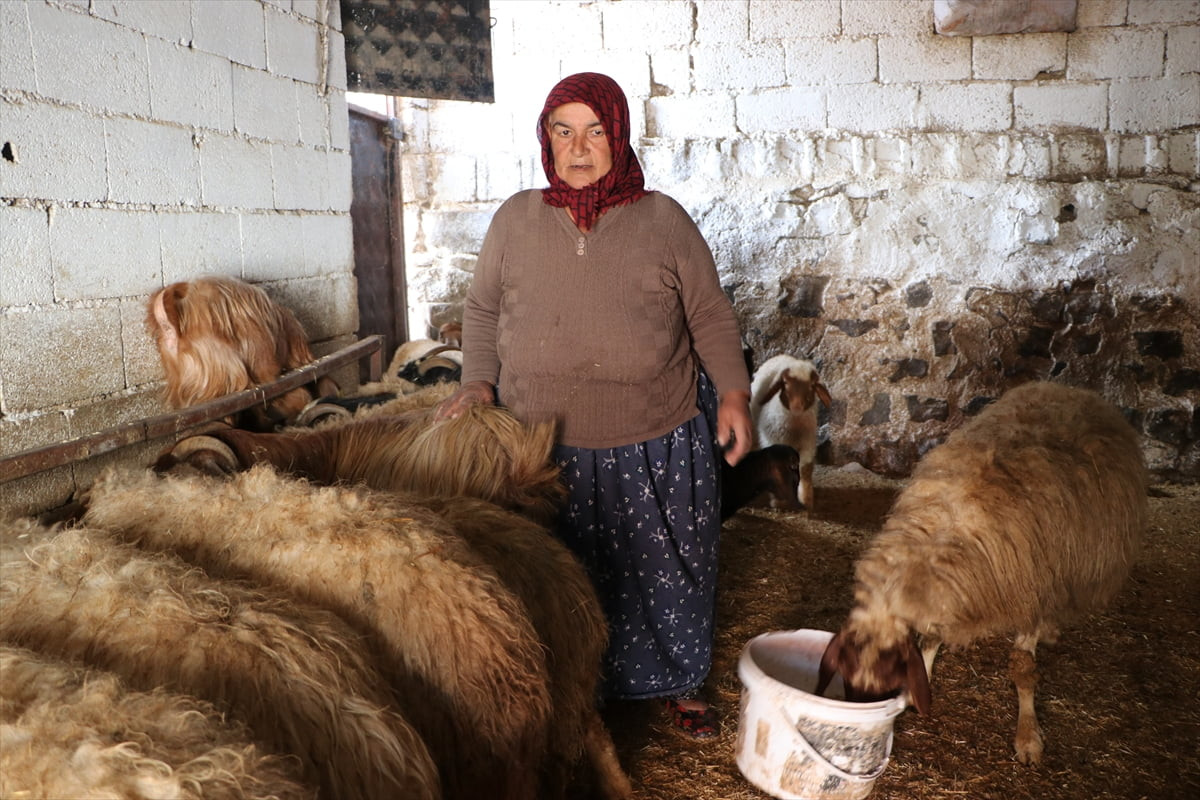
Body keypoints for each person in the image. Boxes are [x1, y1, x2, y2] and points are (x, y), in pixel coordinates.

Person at [434, 72, 752, 740]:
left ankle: (676, 683)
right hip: (540, 446)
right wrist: (477, 382)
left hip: (652, 437)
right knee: (559, 572)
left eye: (595, 131)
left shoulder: (663, 221)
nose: (578, 148)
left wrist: (732, 393)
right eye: (562, 130)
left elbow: (711, 317)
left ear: (620, 135)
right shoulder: (515, 219)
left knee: (661, 569)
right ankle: (573, 693)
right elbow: (483, 310)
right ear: (546, 139)